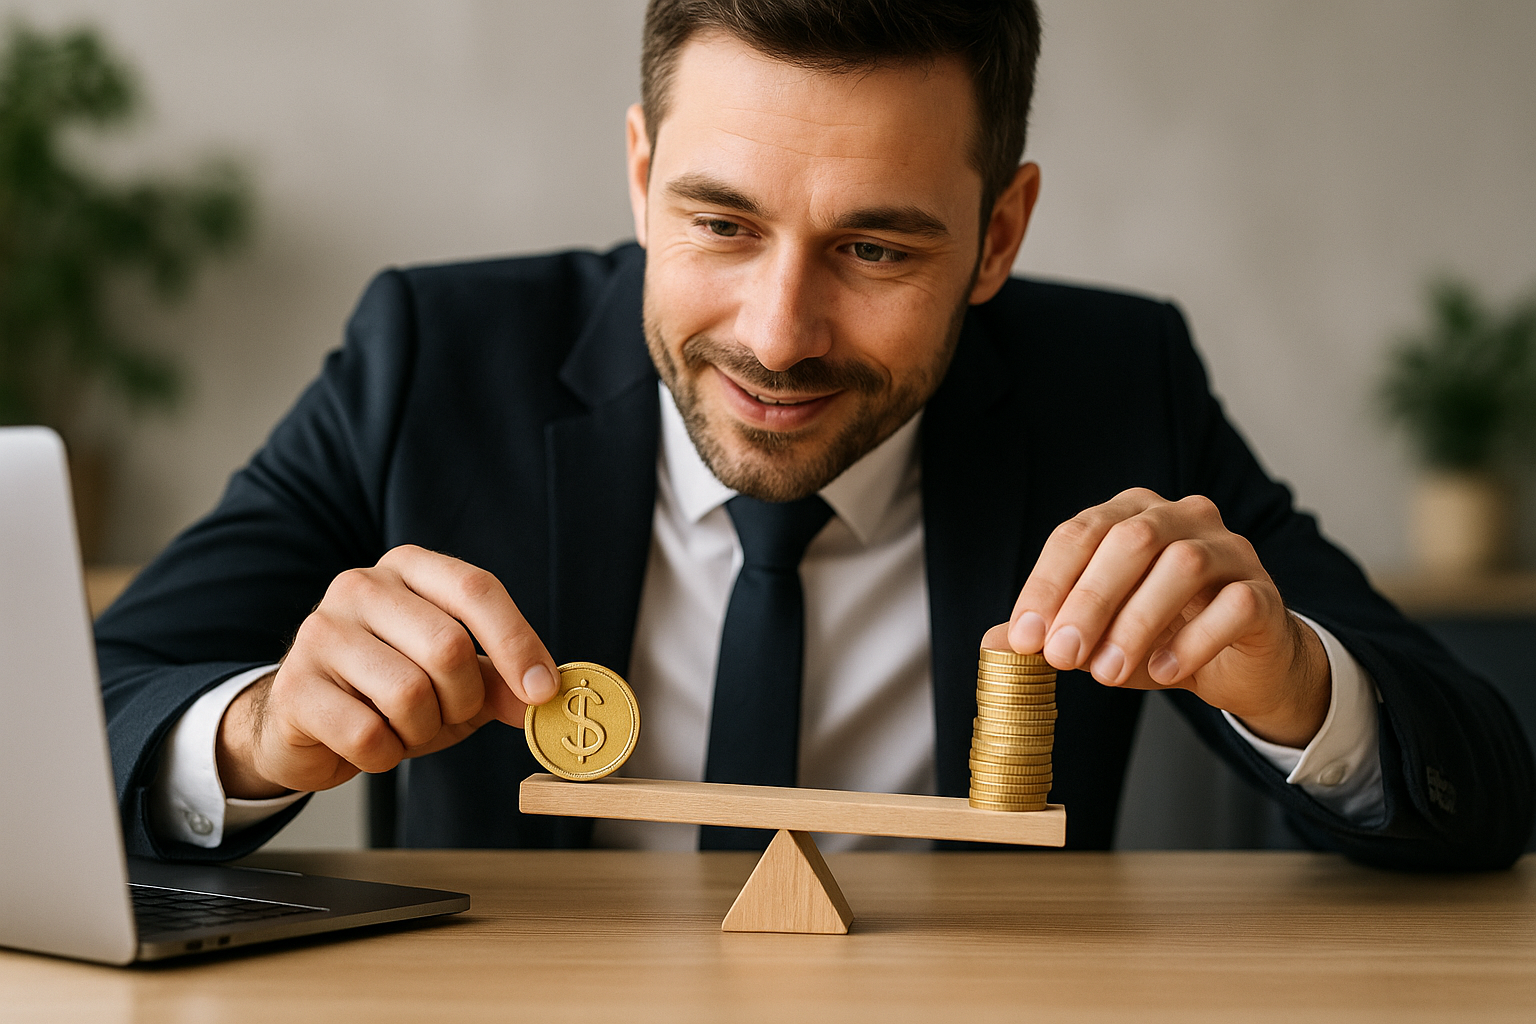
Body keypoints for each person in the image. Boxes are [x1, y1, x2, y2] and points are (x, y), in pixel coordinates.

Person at [96, 0, 1531, 866]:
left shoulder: (1118, 386)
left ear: (998, 236)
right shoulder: (431, 359)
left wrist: (1294, 686)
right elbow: (73, 717)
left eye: (879, 252)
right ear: (643, 176)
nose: (779, 334)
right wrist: (255, 732)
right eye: (720, 224)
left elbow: (1481, 783)